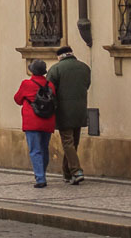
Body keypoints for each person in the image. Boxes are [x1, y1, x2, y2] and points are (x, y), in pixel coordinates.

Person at [47, 45, 92, 185]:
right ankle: (67, 173)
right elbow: (87, 85)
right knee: (74, 142)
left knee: (67, 142)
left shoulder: (56, 69)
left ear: (60, 57)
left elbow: (49, 90)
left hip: (63, 111)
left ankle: (76, 171)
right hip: (80, 110)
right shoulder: (84, 68)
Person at [14, 59, 56, 188]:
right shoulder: (51, 85)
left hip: (32, 121)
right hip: (48, 121)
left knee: (35, 150)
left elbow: (17, 99)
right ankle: (41, 174)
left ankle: (40, 178)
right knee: (44, 149)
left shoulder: (27, 84)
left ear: (32, 70)